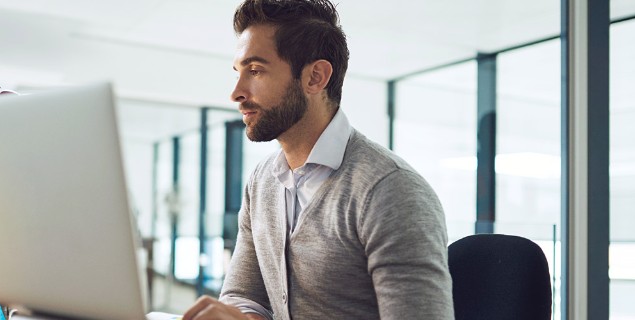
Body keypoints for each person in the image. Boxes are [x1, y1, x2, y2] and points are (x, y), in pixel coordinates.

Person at [181, 1, 454, 319]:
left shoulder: (391, 191)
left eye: (255, 71)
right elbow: (245, 296)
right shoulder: (261, 181)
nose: (237, 93)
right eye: (239, 72)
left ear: (315, 77)